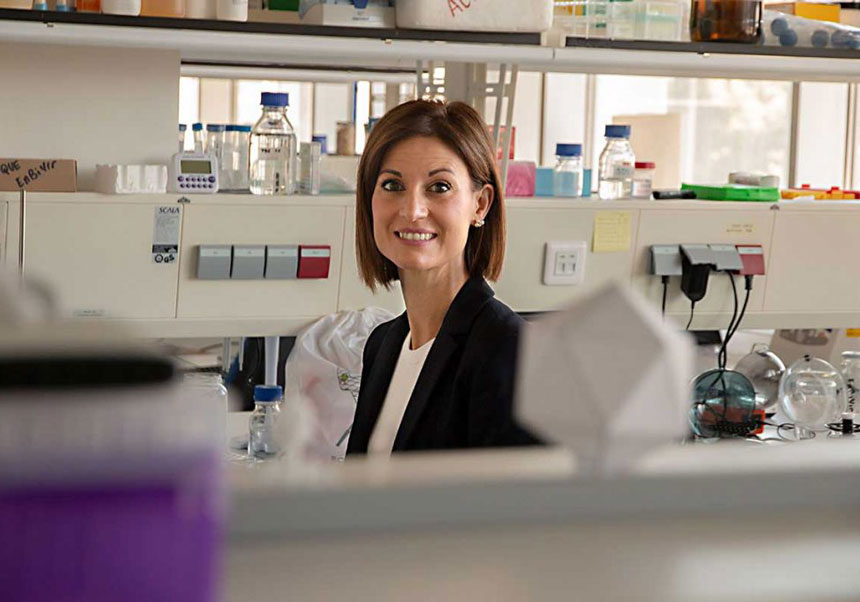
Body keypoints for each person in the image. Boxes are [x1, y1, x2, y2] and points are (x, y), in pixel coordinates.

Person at [346, 99, 541, 456]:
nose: (412, 210)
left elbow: (515, 509)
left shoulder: (511, 350)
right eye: (392, 185)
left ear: (480, 204)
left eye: (439, 187)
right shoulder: (383, 345)